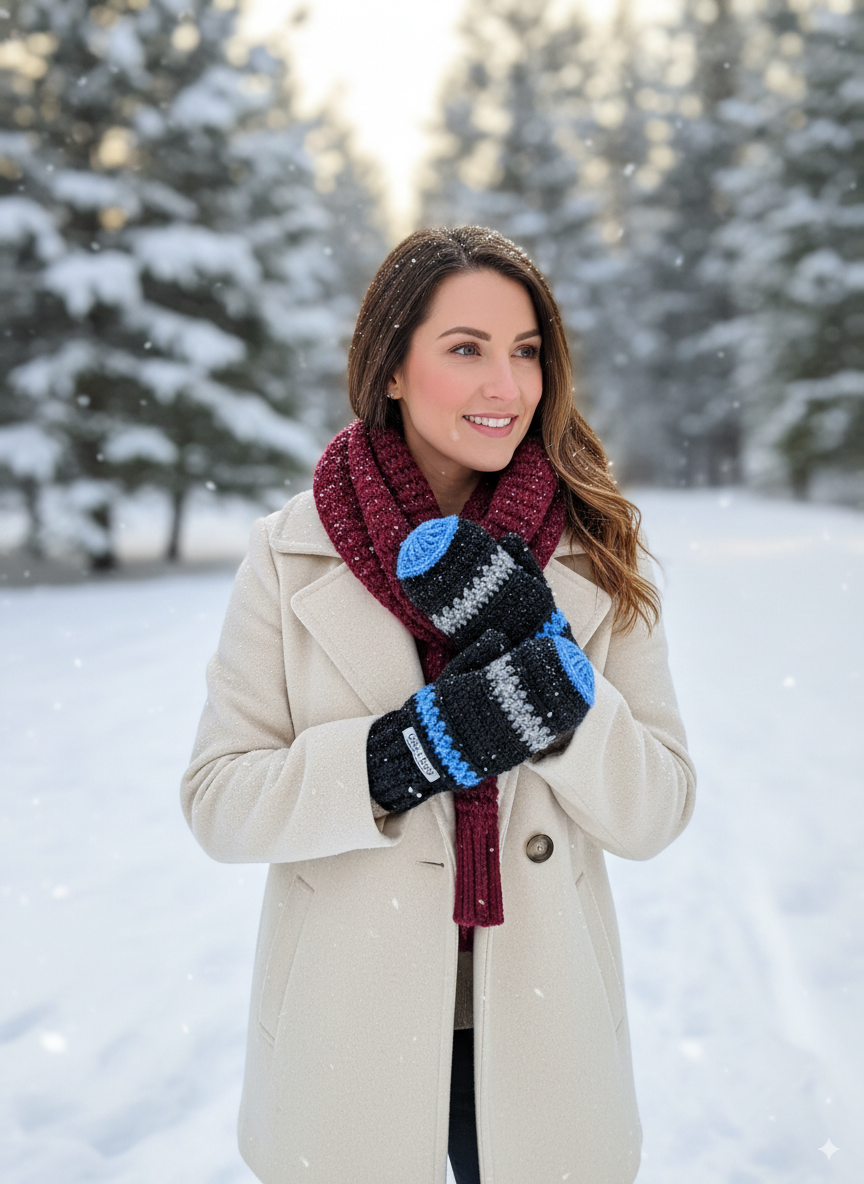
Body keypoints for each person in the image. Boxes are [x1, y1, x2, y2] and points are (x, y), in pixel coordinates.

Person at [180, 225, 696, 1184]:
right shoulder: (290, 553)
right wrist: (405, 754)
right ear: (391, 369)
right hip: (349, 1032)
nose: (507, 386)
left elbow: (657, 809)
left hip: (547, 1030)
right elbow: (219, 799)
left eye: (527, 351)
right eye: (467, 350)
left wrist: (554, 690)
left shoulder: (594, 547)